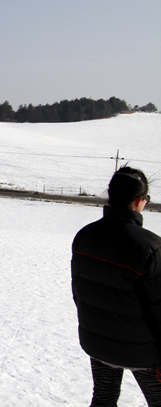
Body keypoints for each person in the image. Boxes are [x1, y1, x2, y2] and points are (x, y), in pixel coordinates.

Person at [72, 166, 161, 406]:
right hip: (143, 352)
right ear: (139, 201)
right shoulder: (151, 248)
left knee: (103, 398)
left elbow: (79, 295)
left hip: (99, 344)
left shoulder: (85, 236)